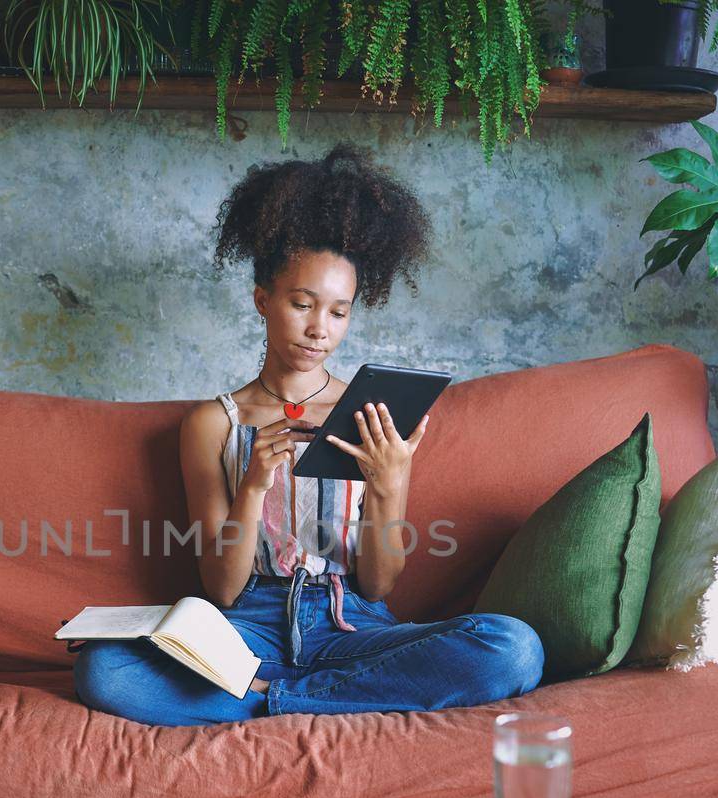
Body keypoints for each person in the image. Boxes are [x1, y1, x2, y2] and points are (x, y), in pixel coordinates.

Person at [73, 142, 543, 727]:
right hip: (246, 628)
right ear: (263, 301)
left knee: (513, 648)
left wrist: (391, 481)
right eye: (302, 304)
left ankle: (277, 700)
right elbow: (220, 588)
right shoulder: (213, 423)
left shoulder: (373, 411)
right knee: (104, 669)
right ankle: (332, 695)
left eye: (339, 313)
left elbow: (378, 582)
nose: (319, 328)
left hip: (352, 626)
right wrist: (251, 486)